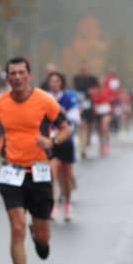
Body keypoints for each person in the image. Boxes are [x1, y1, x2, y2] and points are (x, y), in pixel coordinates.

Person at [0, 57, 71, 264]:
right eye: (13, 74)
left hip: (40, 171)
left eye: (21, 73)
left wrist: (52, 142)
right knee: (17, 227)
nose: (17, 77)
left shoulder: (45, 101)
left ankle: (39, 236)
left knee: (42, 237)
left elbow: (65, 128)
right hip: (11, 172)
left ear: (29, 75)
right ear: (7, 78)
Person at [45, 71, 80, 221]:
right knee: (51, 174)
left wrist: (60, 118)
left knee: (66, 177)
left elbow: (75, 119)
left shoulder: (69, 97)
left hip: (66, 141)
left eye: (57, 81)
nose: (54, 84)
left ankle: (67, 204)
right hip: (50, 142)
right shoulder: (44, 98)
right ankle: (52, 206)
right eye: (51, 81)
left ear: (62, 83)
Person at [71, 61, 99, 160]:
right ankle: (82, 149)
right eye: (81, 66)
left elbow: (97, 89)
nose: (83, 68)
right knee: (82, 125)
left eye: (84, 66)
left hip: (89, 104)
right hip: (80, 103)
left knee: (89, 125)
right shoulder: (76, 78)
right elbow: (73, 89)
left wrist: (92, 92)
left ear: (87, 67)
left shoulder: (92, 78)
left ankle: (88, 140)